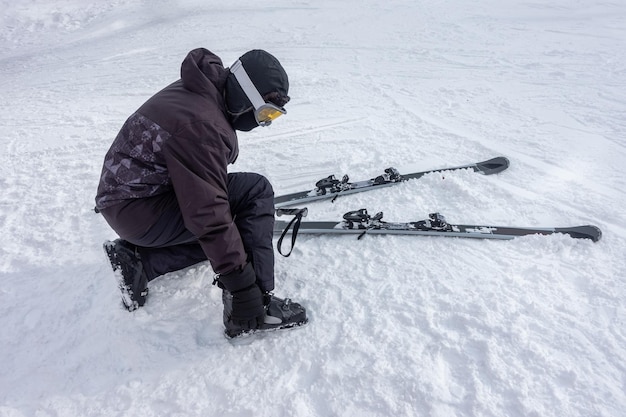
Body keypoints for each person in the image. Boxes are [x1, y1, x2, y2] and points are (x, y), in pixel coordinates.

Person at [95, 48, 307, 338]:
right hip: (139, 208)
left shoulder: (202, 90)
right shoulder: (202, 124)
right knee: (252, 197)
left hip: (129, 202)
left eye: (274, 115)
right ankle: (253, 309)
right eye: (265, 111)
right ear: (245, 95)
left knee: (230, 231)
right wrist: (243, 289)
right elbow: (209, 215)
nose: (264, 122)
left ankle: (141, 262)